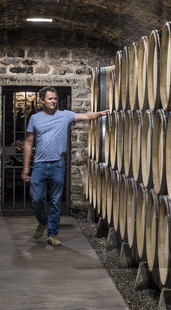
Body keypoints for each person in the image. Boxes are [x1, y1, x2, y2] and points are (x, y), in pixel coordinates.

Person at [21, 88, 108, 246]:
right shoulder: (35, 118)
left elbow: (85, 116)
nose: (53, 101)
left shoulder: (65, 115)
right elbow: (28, 142)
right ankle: (42, 221)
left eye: (55, 98)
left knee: (55, 201)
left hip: (58, 164)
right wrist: (26, 167)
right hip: (39, 165)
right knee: (37, 198)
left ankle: (52, 234)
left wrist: (100, 113)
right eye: (50, 99)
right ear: (42, 101)